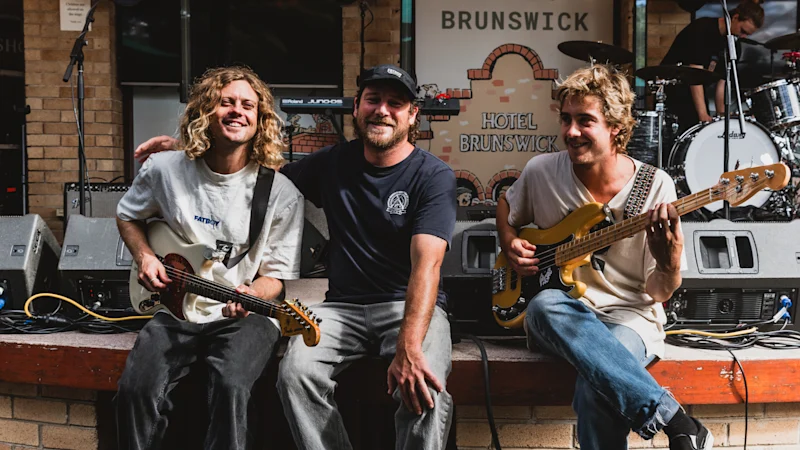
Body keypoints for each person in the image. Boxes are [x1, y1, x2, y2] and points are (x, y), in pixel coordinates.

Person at [134, 64, 457, 450]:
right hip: (343, 307)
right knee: (294, 377)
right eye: (373, 100)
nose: (382, 110)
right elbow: (258, 170)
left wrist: (408, 346)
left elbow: (428, 265)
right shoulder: (334, 161)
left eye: (396, 103)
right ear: (357, 107)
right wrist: (188, 150)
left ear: (412, 115)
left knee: (422, 385)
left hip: (407, 304)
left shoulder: (433, 176)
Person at [496, 64, 712, 450]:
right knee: (545, 305)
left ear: (616, 126)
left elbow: (658, 293)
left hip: (629, 317)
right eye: (566, 119)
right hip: (561, 315)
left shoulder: (654, 185)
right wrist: (510, 240)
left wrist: (669, 261)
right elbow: (505, 206)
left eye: (585, 121)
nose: (571, 132)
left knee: (597, 391)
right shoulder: (541, 171)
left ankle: (680, 427)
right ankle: (676, 420)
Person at [115, 66, 305, 450]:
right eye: (226, 102)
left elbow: (278, 277)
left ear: (260, 120)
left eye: (248, 105)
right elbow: (127, 214)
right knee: (136, 390)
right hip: (174, 310)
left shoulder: (281, 193)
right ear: (206, 111)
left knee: (231, 388)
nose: (238, 111)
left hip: (244, 316)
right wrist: (145, 257)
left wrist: (251, 294)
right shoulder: (165, 170)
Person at [661, 1, 763, 132]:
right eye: (743, 31)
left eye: (747, 34)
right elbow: (694, 74)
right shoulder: (702, 29)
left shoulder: (734, 45)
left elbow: (722, 84)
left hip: (696, 92)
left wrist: (722, 116)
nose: (742, 36)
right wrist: (702, 114)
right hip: (674, 90)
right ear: (735, 17)